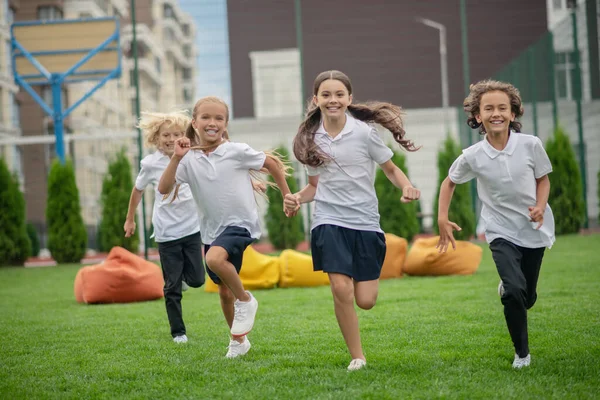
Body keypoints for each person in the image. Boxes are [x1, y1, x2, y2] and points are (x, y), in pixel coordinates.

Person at [284, 70, 420, 371]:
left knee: (366, 300)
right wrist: (295, 197)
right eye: (326, 95)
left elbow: (390, 169)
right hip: (328, 220)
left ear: (349, 98)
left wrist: (407, 185)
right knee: (340, 289)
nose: (333, 100)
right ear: (316, 99)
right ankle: (357, 356)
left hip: (365, 222)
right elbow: (313, 188)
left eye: (339, 94)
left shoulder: (364, 133)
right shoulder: (310, 138)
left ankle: (359, 335)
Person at [158, 96, 294, 358]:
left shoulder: (236, 151)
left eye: (219, 118)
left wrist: (287, 196)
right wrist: (176, 157)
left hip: (241, 225)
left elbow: (272, 164)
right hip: (212, 231)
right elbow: (164, 189)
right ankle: (238, 340)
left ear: (226, 123)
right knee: (222, 291)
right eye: (206, 118)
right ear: (195, 123)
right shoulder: (188, 160)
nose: (212, 123)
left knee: (214, 258)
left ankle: (246, 299)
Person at [436, 79, 555, 369]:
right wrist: (442, 219)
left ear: (513, 114)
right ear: (477, 116)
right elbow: (449, 182)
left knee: (526, 297)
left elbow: (543, 178)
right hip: (499, 229)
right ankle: (522, 355)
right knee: (515, 290)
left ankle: (511, 290)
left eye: (503, 107)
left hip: (533, 229)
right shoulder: (473, 155)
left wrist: (540, 207)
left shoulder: (531, 145)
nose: (496, 113)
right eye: (488, 108)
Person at [124, 110, 204, 344]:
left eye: (177, 134)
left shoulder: (191, 156)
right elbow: (137, 190)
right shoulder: (150, 164)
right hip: (166, 233)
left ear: (185, 136)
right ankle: (178, 332)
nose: (171, 139)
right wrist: (130, 219)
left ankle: (182, 279)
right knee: (171, 287)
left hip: (191, 229)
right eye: (165, 135)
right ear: (155, 138)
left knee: (198, 279)